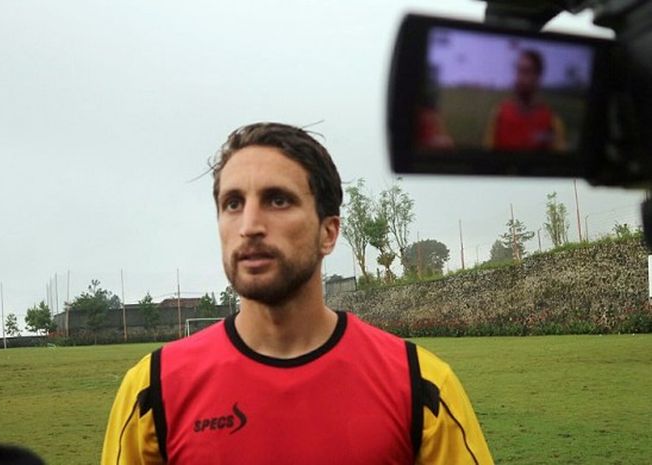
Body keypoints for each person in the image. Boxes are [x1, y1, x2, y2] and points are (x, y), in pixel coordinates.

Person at [101, 122, 494, 465]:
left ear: (329, 232)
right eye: (233, 203)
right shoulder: (153, 389)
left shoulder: (420, 384)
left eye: (278, 200)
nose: (250, 225)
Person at [484, 49, 566, 151]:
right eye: (518, 71)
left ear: (538, 77)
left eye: (526, 72)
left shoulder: (551, 121)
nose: (520, 77)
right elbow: (488, 153)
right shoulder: (500, 113)